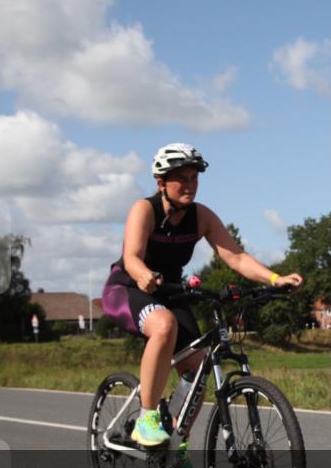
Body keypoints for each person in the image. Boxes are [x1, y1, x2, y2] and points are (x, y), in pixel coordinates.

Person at [101, 143, 303, 449]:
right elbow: (131, 257)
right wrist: (143, 274)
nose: (189, 185)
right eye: (181, 178)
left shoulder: (202, 216)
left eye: (194, 178)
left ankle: (176, 442)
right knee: (163, 325)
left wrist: (276, 279)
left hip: (172, 291)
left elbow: (235, 257)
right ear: (160, 182)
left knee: (197, 373)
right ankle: (146, 418)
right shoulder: (145, 209)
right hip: (128, 288)